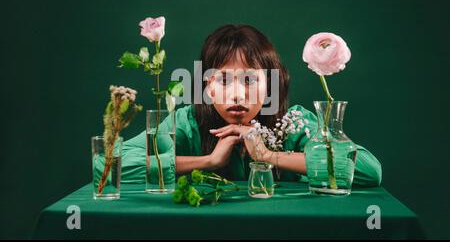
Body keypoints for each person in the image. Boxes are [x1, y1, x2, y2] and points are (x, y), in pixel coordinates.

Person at [121, 24, 382, 186]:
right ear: (207, 87)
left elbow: (368, 170)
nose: (236, 95)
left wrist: (268, 155)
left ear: (269, 85)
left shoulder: (293, 124)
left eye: (249, 80)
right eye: (223, 81)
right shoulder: (187, 122)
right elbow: (111, 162)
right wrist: (208, 161)